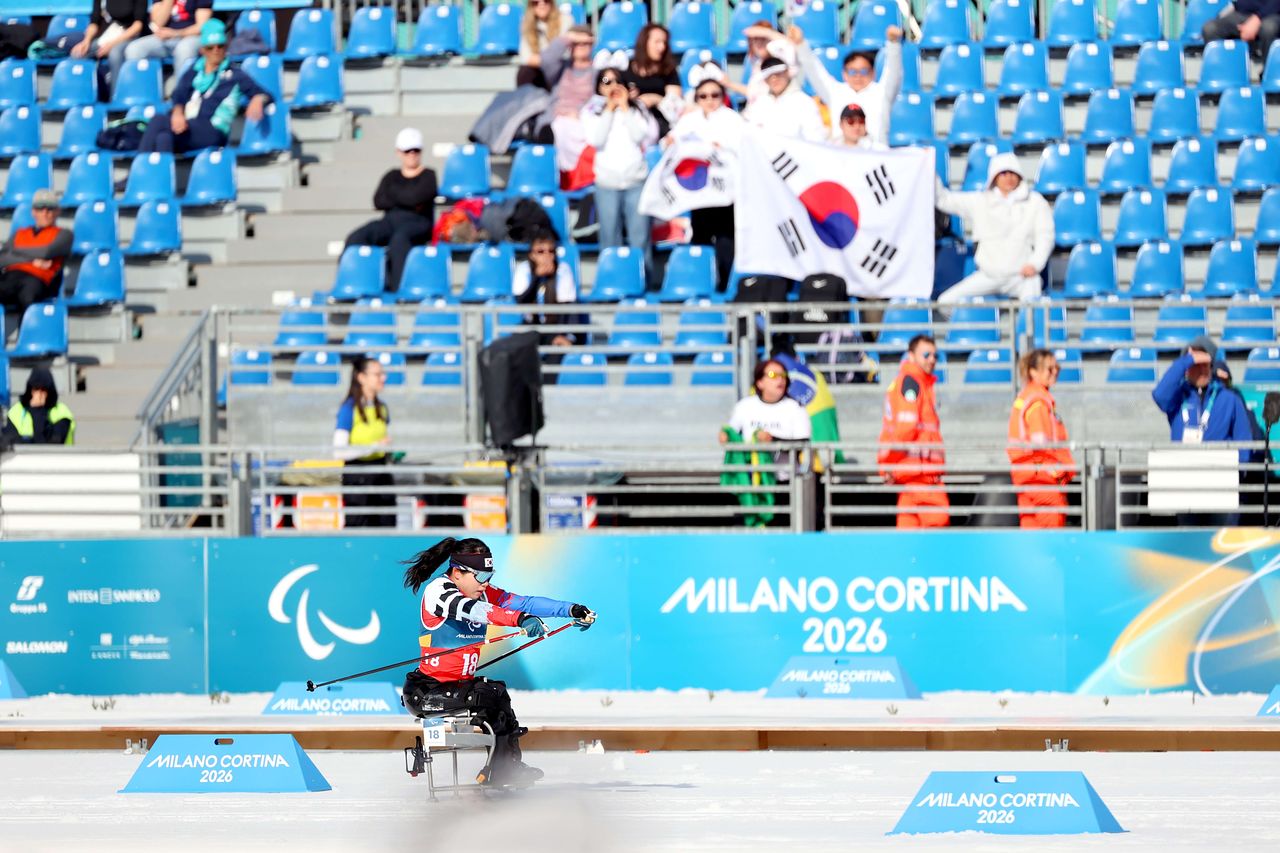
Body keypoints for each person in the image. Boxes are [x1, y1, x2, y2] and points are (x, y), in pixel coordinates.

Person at [400, 537, 596, 787]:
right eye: (480, 576)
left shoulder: (481, 592)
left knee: (497, 694)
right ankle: (503, 771)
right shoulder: (438, 591)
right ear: (458, 572)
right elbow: (473, 610)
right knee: (491, 693)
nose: (485, 583)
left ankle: (503, 769)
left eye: (489, 576)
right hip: (427, 691)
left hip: (457, 687)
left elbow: (524, 602)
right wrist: (520, 619)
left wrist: (571, 609)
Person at [1152, 335, 1255, 526]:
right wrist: (1186, 360)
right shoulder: (1177, 398)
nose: (1201, 370)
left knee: (1220, 539)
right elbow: (1159, 395)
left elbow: (1244, 441)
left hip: (1221, 486)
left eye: (1205, 364)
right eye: (1195, 365)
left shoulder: (1229, 399)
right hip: (1186, 485)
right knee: (1190, 539)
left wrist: (1234, 476)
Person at [934, 152, 1054, 307]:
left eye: (1012, 173)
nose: (1008, 177)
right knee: (946, 302)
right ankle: (977, 323)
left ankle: (1025, 324)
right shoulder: (980, 201)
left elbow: (1046, 236)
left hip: (1021, 277)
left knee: (1033, 307)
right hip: (987, 276)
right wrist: (929, 170)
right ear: (994, 176)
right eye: (1003, 173)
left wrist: (1035, 264)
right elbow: (944, 199)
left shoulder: (1035, 202)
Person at [137, 19, 270, 154]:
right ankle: (161, 168)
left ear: (226, 47)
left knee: (159, 120)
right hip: (189, 126)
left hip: (214, 130)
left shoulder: (235, 74)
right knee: (163, 138)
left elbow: (264, 94)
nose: (216, 51)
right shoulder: (194, 70)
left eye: (220, 46)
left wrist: (258, 99)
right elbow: (179, 94)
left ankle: (139, 164)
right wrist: (178, 113)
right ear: (202, 50)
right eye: (210, 48)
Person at [669, 63, 743, 291]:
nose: (709, 100)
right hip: (699, 190)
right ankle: (700, 282)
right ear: (697, 98)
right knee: (700, 236)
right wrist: (670, 141)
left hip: (725, 191)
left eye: (714, 95)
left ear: (722, 96)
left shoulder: (732, 119)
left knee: (726, 239)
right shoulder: (689, 120)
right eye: (703, 96)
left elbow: (742, 147)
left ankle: (725, 284)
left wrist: (721, 148)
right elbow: (671, 142)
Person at [343, 127, 438, 294]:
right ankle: (350, 284)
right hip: (390, 221)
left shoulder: (428, 175)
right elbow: (378, 200)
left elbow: (416, 197)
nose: (412, 154)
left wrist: (395, 196)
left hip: (418, 222)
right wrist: (409, 198)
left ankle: (398, 290)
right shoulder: (391, 175)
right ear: (399, 152)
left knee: (399, 240)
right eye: (407, 150)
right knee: (358, 236)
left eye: (416, 150)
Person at [582, 67, 656, 262]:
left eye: (617, 81)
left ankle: (642, 278)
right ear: (599, 87)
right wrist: (608, 108)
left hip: (636, 182)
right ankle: (612, 278)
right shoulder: (591, 111)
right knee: (609, 240)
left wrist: (625, 107)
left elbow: (639, 136)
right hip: (607, 184)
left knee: (640, 240)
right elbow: (596, 139)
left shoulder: (637, 109)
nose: (612, 86)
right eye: (606, 82)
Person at [788, 23, 902, 145]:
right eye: (852, 71)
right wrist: (800, 44)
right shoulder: (836, 92)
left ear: (873, 73)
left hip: (875, 153)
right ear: (844, 74)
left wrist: (894, 43)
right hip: (841, 153)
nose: (858, 76)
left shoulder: (882, 93)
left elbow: (894, 73)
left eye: (864, 71)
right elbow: (815, 72)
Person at [878, 335, 948, 528]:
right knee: (937, 524)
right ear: (911, 356)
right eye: (926, 355)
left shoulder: (916, 383)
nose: (932, 360)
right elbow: (905, 429)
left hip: (913, 474)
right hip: (920, 473)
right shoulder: (912, 384)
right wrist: (891, 464)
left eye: (935, 356)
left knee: (908, 528)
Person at [1007, 349, 1076, 528]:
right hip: (1041, 478)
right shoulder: (1038, 401)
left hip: (1026, 474)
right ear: (1034, 372)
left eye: (1057, 367)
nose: (1055, 372)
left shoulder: (1028, 396)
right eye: (1049, 369)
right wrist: (1059, 475)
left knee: (1031, 528)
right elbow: (1041, 445)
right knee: (1051, 527)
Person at [334, 356, 396, 528]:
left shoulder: (382, 408)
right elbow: (338, 451)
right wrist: (373, 447)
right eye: (377, 374)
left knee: (387, 526)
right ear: (361, 377)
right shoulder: (348, 409)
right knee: (359, 527)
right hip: (358, 475)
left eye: (382, 374)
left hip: (381, 473)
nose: (383, 378)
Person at [0, 190, 73, 317]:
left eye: (50, 208)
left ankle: (27, 329)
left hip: (39, 279)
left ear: (57, 211)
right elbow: (2, 258)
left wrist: (14, 251)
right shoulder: (20, 233)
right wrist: (32, 261)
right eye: (40, 208)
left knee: (28, 293)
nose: (45, 213)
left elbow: (46, 252)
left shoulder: (65, 234)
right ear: (33, 211)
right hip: (11, 276)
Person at [537, 24, 597, 176]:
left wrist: (579, 113)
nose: (581, 47)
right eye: (577, 43)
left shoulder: (598, 72)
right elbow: (546, 60)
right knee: (547, 134)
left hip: (582, 122)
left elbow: (606, 83)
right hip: (555, 120)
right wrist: (567, 39)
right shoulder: (561, 69)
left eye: (586, 43)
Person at [72, 0, 148, 95]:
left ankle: (116, 96)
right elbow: (94, 23)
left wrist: (111, 44)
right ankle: (82, 96)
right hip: (108, 36)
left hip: (130, 37)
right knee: (78, 53)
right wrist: (86, 41)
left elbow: (138, 26)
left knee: (115, 53)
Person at [742, 56, 825, 142]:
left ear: (787, 73)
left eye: (778, 74)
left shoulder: (804, 102)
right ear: (765, 80)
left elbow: (816, 140)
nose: (774, 79)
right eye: (769, 76)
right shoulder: (759, 103)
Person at [124, 0, 213, 76]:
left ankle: (182, 89)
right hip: (164, 38)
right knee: (135, 49)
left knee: (184, 49)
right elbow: (157, 24)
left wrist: (176, 33)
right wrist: (168, 2)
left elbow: (202, 26)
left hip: (191, 37)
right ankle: (141, 90)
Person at [627, 23, 681, 138]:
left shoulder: (669, 70)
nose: (662, 47)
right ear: (644, 42)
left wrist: (655, 99)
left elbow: (675, 103)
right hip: (630, 119)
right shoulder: (626, 66)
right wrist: (624, 94)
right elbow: (604, 80)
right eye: (657, 42)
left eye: (664, 42)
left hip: (660, 122)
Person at [727, 23, 797, 110]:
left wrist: (766, 32)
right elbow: (753, 92)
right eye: (755, 39)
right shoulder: (757, 65)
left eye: (763, 38)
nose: (759, 43)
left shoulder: (782, 61)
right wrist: (728, 84)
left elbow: (791, 47)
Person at [3, 367, 75, 446]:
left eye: (43, 390)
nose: (39, 394)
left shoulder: (62, 412)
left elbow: (52, 443)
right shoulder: (15, 412)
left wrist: (38, 410)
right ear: (30, 390)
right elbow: (11, 442)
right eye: (36, 389)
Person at [1202, 0, 1280, 62]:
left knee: (1268, 28)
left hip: (1272, 14)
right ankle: (1224, 71)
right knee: (1210, 28)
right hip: (1242, 13)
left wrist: (1257, 19)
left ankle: (1269, 72)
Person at [516, 0, 562, 88]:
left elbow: (562, 53)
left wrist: (543, 59)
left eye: (546, 1)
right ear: (531, 5)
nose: (541, 4)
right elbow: (526, 57)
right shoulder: (526, 24)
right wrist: (545, 60)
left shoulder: (564, 20)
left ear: (552, 3)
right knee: (525, 72)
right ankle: (525, 96)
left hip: (559, 68)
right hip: (539, 68)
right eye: (536, 2)